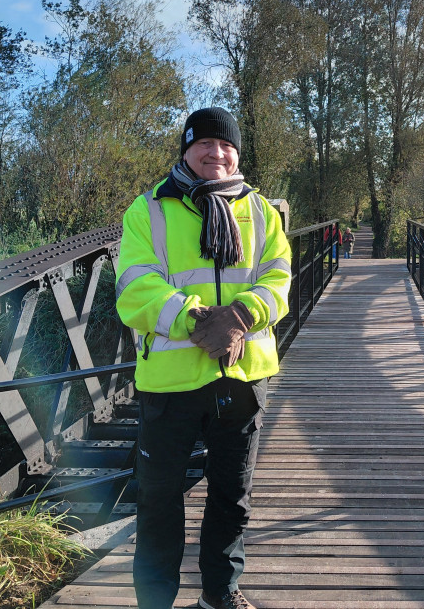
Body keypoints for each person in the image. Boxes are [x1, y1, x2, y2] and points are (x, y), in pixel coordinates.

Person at [116, 107, 291, 609]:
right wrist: (196, 320)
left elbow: (278, 279)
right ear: (186, 150)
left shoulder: (260, 211)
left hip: (241, 374)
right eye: (205, 144)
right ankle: (155, 601)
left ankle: (220, 595)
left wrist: (240, 315)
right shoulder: (148, 209)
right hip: (170, 381)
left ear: (237, 153)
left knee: (232, 499)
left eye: (227, 145)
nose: (217, 153)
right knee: (158, 502)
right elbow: (134, 285)